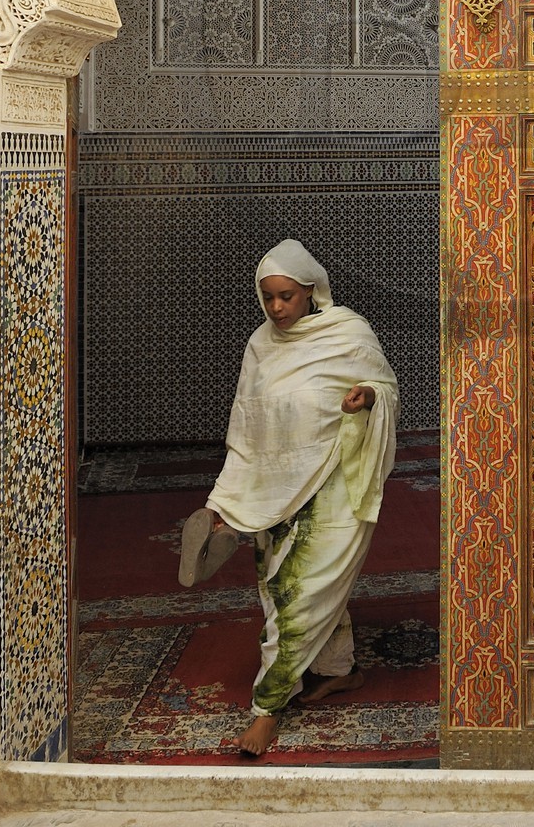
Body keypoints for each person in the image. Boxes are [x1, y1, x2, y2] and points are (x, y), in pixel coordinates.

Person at [177, 238, 399, 758]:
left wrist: (366, 397)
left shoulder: (348, 332)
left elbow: (385, 387)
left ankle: (266, 708)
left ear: (310, 292)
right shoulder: (261, 344)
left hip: (336, 484)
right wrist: (225, 498)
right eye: (269, 298)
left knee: (300, 596)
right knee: (282, 590)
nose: (277, 308)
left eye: (287, 297)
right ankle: (340, 670)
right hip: (278, 489)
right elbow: (247, 424)